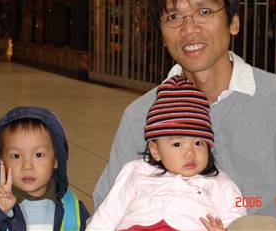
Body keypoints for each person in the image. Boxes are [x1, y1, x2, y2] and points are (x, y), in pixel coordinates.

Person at [93, 0, 276, 230]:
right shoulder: (142, 115)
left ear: (233, 22)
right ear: (162, 34)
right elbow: (106, 211)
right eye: (174, 17)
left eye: (204, 12)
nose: (189, 29)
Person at [87, 76, 246, 231]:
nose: (190, 152)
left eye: (198, 143)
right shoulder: (136, 171)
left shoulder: (220, 183)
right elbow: (109, 213)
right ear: (155, 151)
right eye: (177, 144)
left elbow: (237, 218)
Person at [0, 106, 90, 230]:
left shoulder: (74, 211)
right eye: (16, 156)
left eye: (38, 155)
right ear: (2, 162)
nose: (27, 166)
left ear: (56, 160)